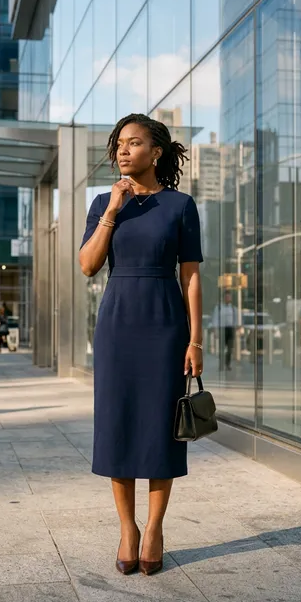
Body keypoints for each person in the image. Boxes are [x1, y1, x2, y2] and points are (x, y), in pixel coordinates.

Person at [79, 113, 204, 576]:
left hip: (166, 324)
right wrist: (112, 210)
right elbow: (88, 265)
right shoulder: (102, 202)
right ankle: (126, 528)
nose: (124, 151)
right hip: (117, 324)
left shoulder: (180, 205)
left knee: (159, 426)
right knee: (117, 423)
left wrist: (196, 339)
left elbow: (190, 276)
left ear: (157, 152)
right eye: (119, 144)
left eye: (134, 143)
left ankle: (154, 528)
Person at [211, 291, 238, 371]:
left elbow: (236, 320)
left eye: (229, 297)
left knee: (229, 349)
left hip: (230, 329)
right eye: (226, 297)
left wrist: (236, 330)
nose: (228, 298)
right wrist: (215, 330)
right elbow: (215, 319)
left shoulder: (233, 308)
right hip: (222, 329)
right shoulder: (218, 307)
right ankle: (221, 364)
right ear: (223, 298)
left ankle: (227, 364)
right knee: (221, 349)